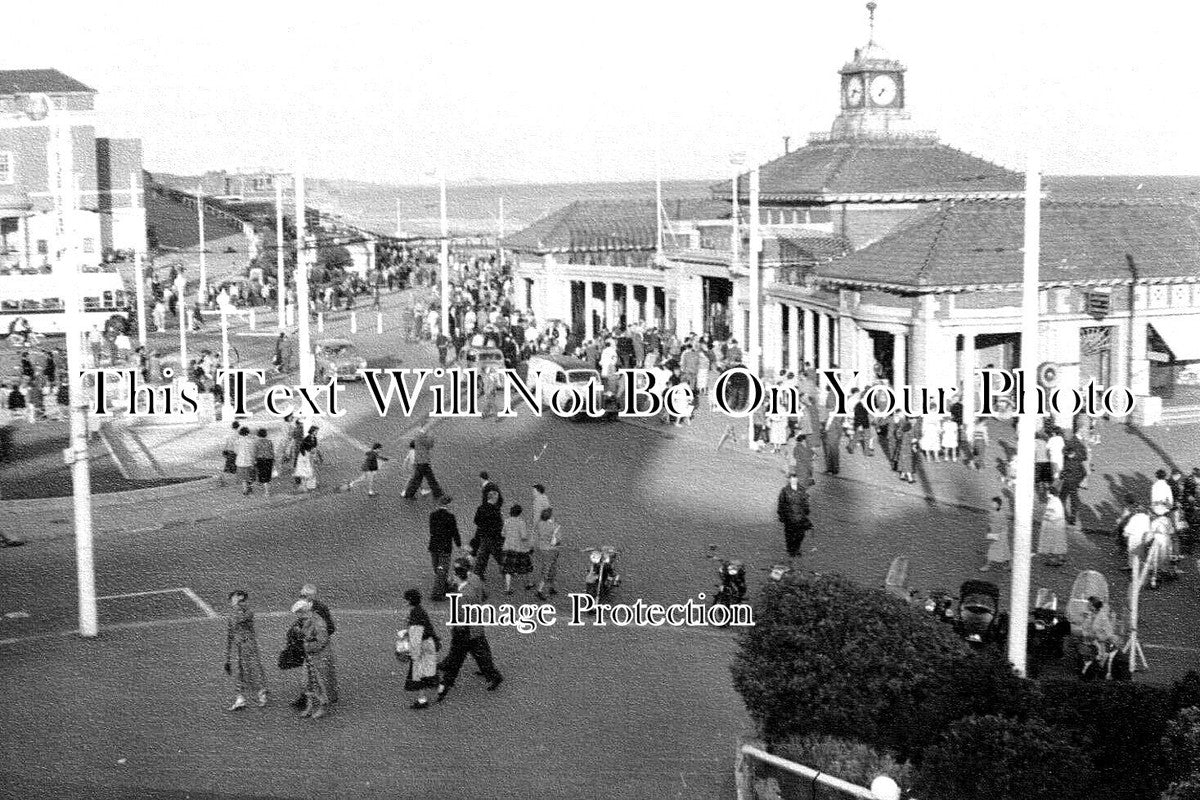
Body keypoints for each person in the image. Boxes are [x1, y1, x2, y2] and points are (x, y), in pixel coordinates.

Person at [437, 558, 504, 701]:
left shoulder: (462, 596)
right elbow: (485, 594)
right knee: (482, 653)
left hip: (465, 630)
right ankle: (493, 675)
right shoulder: (475, 579)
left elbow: (460, 616)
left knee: (457, 656)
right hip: (476, 625)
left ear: (457, 575)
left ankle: (446, 684)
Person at [223, 590, 268, 711]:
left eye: (235, 598)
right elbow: (230, 634)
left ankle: (261, 692)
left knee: (252, 669)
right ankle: (240, 698)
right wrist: (227, 657)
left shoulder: (246, 612)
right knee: (239, 672)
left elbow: (243, 617)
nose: (232, 600)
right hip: (237, 647)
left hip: (248, 645)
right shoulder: (232, 614)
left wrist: (238, 605)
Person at [291, 599, 334, 719]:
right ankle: (310, 706)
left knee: (319, 682)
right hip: (310, 656)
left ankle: (322, 706)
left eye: (298, 613)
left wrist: (308, 646)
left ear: (304, 611)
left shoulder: (318, 622)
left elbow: (322, 641)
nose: (297, 616)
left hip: (318, 656)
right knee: (307, 682)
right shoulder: (306, 620)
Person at [402, 588, 441, 709]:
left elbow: (417, 634)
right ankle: (440, 688)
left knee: (418, 675)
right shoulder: (420, 611)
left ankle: (423, 699)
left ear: (410, 600)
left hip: (422, 646)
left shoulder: (415, 613)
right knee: (427, 672)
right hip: (428, 643)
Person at [428, 495, 461, 601]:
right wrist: (458, 544)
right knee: (442, 569)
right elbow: (454, 532)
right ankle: (437, 593)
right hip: (445, 546)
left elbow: (432, 531)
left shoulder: (432, 515)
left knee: (437, 567)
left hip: (434, 546)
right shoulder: (450, 517)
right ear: (448, 505)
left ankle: (444, 586)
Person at [776, 472, 812, 559]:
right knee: (790, 535)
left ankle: (796, 548)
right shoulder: (784, 491)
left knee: (800, 535)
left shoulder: (802, 490)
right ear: (789, 480)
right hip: (789, 517)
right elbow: (781, 504)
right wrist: (781, 515)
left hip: (800, 517)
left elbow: (805, 502)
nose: (793, 481)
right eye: (792, 479)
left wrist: (806, 511)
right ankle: (791, 550)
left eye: (795, 479)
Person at [401, 426, 443, 499]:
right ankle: (438, 493)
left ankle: (409, 494)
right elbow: (430, 445)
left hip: (420, 462)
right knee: (430, 479)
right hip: (424, 462)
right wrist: (432, 437)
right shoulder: (422, 437)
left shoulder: (418, 436)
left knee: (417, 479)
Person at [472, 489, 505, 579]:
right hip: (495, 539)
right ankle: (505, 573)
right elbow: (499, 527)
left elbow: (476, 521)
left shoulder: (480, 508)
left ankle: (478, 575)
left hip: (484, 537)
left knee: (482, 558)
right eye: (497, 498)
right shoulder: (496, 511)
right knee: (500, 557)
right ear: (494, 498)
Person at [500, 504, 534, 595]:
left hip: (508, 547)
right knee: (527, 567)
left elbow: (503, 534)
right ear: (520, 513)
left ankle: (507, 588)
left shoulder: (507, 521)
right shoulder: (521, 522)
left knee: (508, 569)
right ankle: (529, 583)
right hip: (519, 548)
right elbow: (524, 536)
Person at [1058, 427, 1089, 526]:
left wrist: (1073, 455)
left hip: (1071, 474)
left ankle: (1065, 516)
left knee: (1064, 496)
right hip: (1073, 473)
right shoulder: (1074, 441)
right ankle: (1072, 517)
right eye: (1084, 432)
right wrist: (1071, 455)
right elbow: (1065, 451)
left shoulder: (1077, 442)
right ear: (1081, 431)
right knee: (1071, 496)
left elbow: (1084, 457)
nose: (1085, 434)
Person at [1078, 596, 1119, 664]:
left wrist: (1097, 636)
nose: (1087, 605)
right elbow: (1085, 629)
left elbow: (1109, 633)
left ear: (1093, 606)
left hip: (1099, 644)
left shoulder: (1102, 617)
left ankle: (1096, 663)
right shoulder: (1090, 615)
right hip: (1090, 641)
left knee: (1086, 650)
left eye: (1089, 604)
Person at [533, 506, 562, 600]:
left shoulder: (540, 524)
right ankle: (539, 591)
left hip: (543, 549)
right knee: (549, 569)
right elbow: (556, 541)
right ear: (550, 517)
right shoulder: (555, 526)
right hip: (552, 551)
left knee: (551, 568)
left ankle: (551, 587)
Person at [979, 496, 1012, 572]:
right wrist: (988, 530)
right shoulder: (992, 511)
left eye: (994, 503)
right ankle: (1010, 565)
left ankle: (987, 566)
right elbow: (990, 522)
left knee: (992, 549)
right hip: (997, 533)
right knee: (1005, 549)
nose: (992, 504)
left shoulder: (1001, 514)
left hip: (1000, 534)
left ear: (998, 505)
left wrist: (992, 535)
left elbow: (1000, 525)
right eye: (992, 502)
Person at [1038, 486, 1068, 567]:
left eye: (1047, 492)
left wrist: (1046, 519)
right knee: (1058, 542)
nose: (1046, 493)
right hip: (1057, 524)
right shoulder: (1056, 500)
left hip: (1053, 525)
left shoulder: (1053, 501)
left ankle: (1055, 560)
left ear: (1050, 493)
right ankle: (1060, 558)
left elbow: (1050, 514)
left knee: (1053, 543)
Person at [253, 428, 275, 497]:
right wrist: (274, 460)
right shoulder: (269, 442)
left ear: (258, 435)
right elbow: (272, 452)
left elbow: (255, 452)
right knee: (267, 475)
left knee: (263, 475)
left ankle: (266, 492)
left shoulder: (257, 442)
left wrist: (254, 461)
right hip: (269, 459)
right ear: (266, 434)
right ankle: (266, 490)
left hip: (260, 459)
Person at [235, 426, 257, 496]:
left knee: (243, 476)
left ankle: (245, 489)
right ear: (248, 433)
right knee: (250, 475)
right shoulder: (251, 441)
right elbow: (253, 452)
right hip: (249, 461)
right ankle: (250, 487)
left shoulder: (237, 441)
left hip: (240, 462)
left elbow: (236, 451)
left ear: (240, 433)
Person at [220, 421, 239, 487]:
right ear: (238, 426)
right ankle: (237, 482)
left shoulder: (229, 435)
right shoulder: (239, 435)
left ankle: (223, 480)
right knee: (237, 467)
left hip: (230, 452)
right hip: (237, 453)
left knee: (227, 467)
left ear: (232, 426)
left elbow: (226, 444)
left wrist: (224, 451)